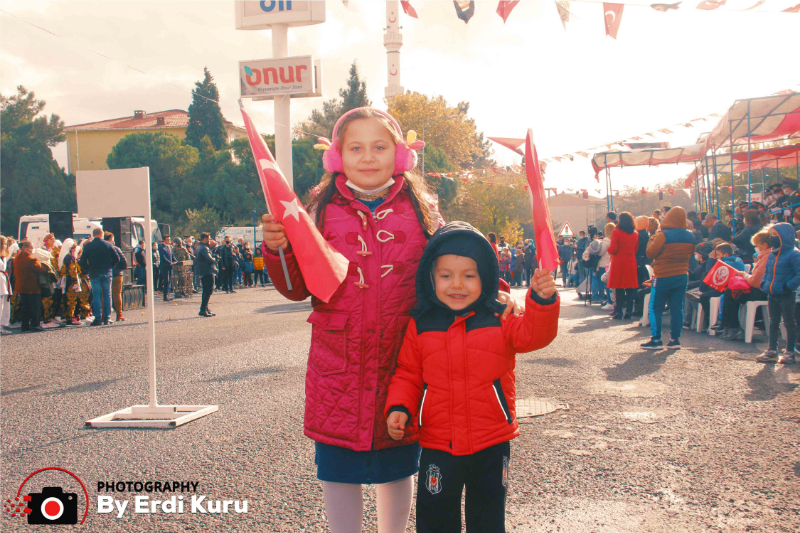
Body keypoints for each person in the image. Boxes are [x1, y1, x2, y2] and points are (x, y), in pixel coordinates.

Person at [259, 107, 519, 533]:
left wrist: (497, 294)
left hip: (403, 358)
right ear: (337, 156)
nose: (367, 156)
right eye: (355, 147)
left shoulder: (421, 208)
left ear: (399, 156)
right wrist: (279, 249)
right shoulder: (317, 208)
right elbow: (296, 287)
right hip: (338, 364)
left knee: (398, 461)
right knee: (338, 467)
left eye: (379, 147)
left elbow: (453, 264)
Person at [384, 222, 559, 533]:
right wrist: (399, 407)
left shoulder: (500, 316)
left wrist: (541, 303)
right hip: (438, 441)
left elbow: (532, 336)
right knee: (436, 517)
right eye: (446, 275)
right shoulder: (422, 323)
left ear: (486, 277)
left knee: (488, 517)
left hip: (491, 440)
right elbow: (408, 373)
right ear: (431, 278)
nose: (457, 285)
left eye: (469, 275)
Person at [642, 207, 695, 350]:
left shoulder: (663, 235)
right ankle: (674, 340)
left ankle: (656, 339)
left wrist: (652, 239)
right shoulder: (690, 236)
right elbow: (690, 253)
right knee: (677, 308)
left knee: (655, 308)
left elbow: (651, 253)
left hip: (663, 275)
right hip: (682, 274)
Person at [756, 223, 800, 364]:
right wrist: (764, 283)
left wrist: (788, 286)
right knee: (773, 322)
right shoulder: (772, 254)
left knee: (789, 322)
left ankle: (789, 352)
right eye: (772, 235)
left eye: (776, 235)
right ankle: (772, 350)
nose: (773, 238)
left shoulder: (794, 254)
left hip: (786, 293)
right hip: (772, 293)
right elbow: (767, 272)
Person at [719, 228, 770, 341]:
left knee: (731, 293)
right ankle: (729, 326)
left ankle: (733, 327)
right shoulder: (765, 257)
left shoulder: (766, 258)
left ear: (764, 245)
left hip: (761, 291)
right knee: (730, 291)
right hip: (762, 289)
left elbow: (755, 281)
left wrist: (744, 275)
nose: (756, 248)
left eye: (757, 245)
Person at [79, 228, 121, 326]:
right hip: (107, 271)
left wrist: (87, 270)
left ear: (93, 235)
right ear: (102, 234)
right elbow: (117, 258)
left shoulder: (88, 246)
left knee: (96, 295)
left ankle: (97, 318)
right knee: (107, 295)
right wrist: (110, 266)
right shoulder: (108, 244)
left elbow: (82, 261)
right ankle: (107, 317)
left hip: (94, 273)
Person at [608, 212, 640, 319]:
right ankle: (629, 311)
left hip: (619, 262)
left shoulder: (616, 232)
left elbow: (613, 249)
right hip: (630, 261)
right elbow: (636, 249)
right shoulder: (635, 233)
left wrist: (609, 250)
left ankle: (618, 311)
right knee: (630, 288)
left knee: (619, 287)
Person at [14, 241, 50, 332]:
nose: (33, 250)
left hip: (21, 287)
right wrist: (46, 264)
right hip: (32, 288)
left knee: (25, 307)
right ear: (27, 249)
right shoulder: (31, 260)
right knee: (35, 307)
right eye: (32, 248)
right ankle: (35, 325)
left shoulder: (17, 258)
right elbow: (42, 269)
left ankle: (24, 326)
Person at [105, 232, 128, 322]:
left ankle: (105, 315)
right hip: (117, 274)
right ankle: (119, 314)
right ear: (110, 239)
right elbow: (124, 262)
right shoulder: (116, 248)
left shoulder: (102, 249)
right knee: (117, 294)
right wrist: (119, 269)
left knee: (105, 294)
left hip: (106, 273)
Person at [195, 232, 217, 317]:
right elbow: (209, 259)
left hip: (203, 271)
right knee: (208, 290)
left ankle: (205, 308)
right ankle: (203, 309)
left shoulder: (199, 247)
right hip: (207, 271)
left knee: (205, 291)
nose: (209, 240)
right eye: (208, 238)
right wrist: (215, 258)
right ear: (205, 239)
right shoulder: (204, 248)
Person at [596, 224, 614, 306]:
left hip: (604, 263)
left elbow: (601, 252)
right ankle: (612, 300)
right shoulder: (614, 239)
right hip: (612, 263)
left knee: (606, 283)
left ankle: (609, 300)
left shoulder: (606, 240)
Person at [0, 236, 12, 335]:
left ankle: (2, 324)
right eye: (4, 243)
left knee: (4, 304)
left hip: (3, 280)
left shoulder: (3, 255)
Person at [158, 235, 176, 301]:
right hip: (164, 266)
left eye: (169, 239)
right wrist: (170, 262)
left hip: (170, 267)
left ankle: (167, 294)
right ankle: (165, 295)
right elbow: (163, 257)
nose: (169, 241)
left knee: (169, 281)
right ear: (164, 240)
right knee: (166, 281)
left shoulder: (169, 247)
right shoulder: (161, 247)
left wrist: (175, 261)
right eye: (167, 239)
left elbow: (172, 256)